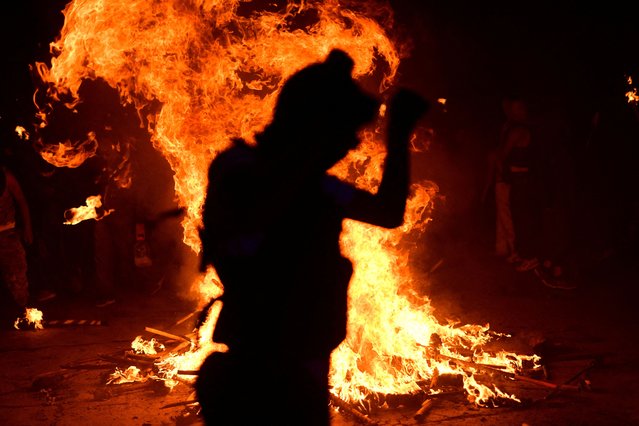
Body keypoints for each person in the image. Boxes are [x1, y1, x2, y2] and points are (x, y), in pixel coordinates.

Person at [196, 49, 427, 425]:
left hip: (303, 374)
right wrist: (310, 153)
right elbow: (265, 208)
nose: (351, 145)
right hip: (257, 379)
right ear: (315, 128)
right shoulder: (241, 171)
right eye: (344, 133)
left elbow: (387, 213)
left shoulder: (314, 187)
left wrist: (398, 138)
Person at [0, 160, 33, 316]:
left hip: (8, 233)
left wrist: (28, 229)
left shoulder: (7, 177)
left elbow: (22, 201)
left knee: (17, 274)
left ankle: (23, 311)